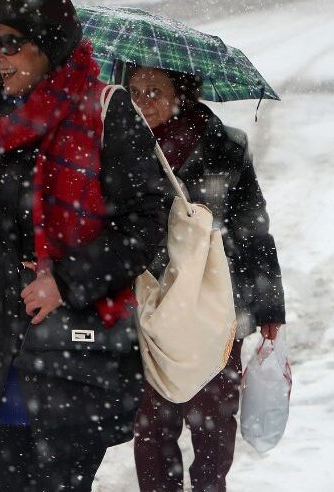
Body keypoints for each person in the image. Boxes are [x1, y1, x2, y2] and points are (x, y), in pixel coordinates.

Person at [0, 0, 172, 492]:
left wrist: (66, 281)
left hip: (76, 352)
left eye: (11, 43)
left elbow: (146, 225)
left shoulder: (105, 111)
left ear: (48, 45)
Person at [126, 65, 286, 492]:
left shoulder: (225, 146)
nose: (143, 101)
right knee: (153, 426)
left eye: (155, 90)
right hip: (151, 305)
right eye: (135, 90)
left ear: (183, 93)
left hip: (216, 305)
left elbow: (254, 229)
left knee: (213, 423)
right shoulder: (120, 145)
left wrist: (270, 307)